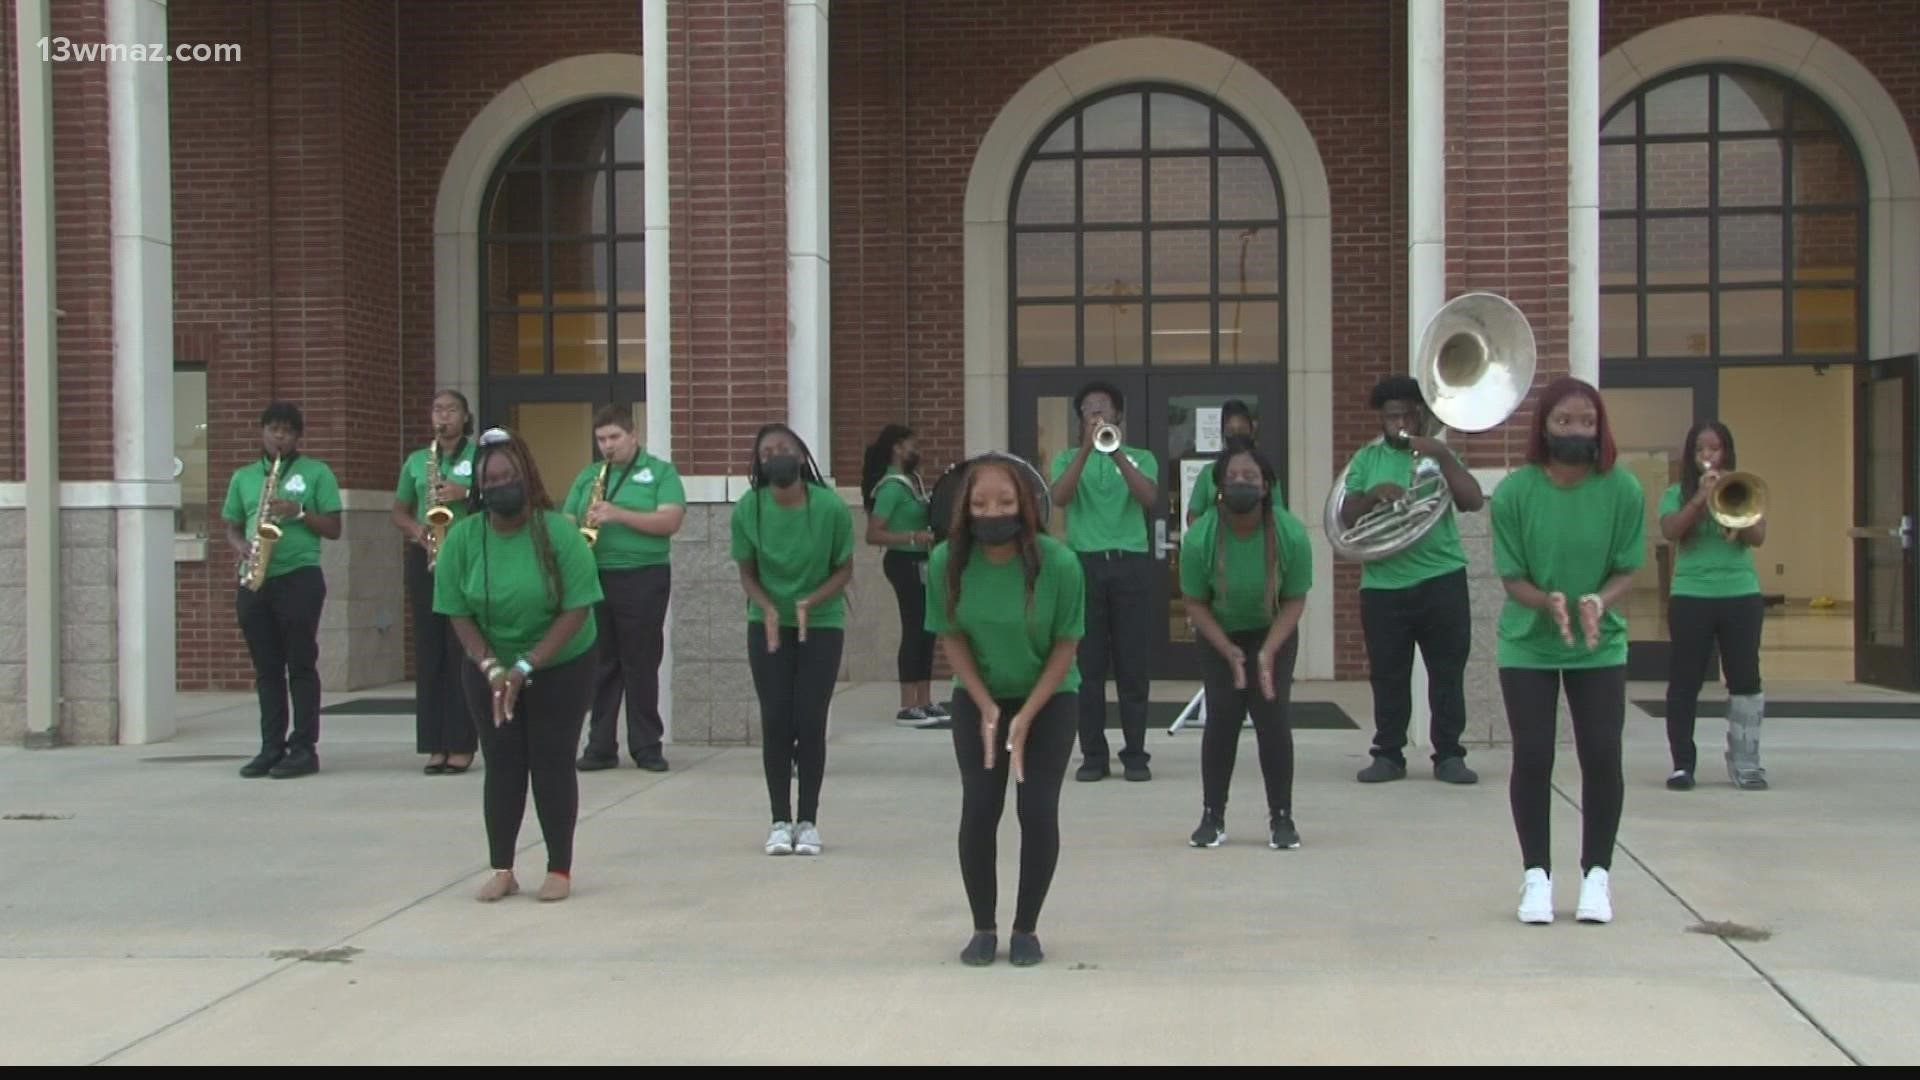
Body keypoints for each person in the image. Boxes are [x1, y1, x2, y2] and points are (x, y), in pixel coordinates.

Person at [1490, 376, 1644, 926]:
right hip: (1528, 644)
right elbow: (1512, 578)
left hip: (1598, 646)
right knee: (1533, 756)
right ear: (1544, 428)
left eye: (1586, 421)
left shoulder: (1623, 490)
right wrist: (1547, 601)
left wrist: (1598, 602)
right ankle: (1537, 877)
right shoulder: (1514, 494)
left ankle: (1597, 877)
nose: (1576, 430)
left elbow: (1627, 567)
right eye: (1564, 421)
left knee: (1601, 755)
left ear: (1600, 427)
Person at [926, 454, 1084, 967]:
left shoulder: (1059, 563)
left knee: (1035, 809)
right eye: (979, 503)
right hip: (981, 697)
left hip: (1050, 696)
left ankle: (1026, 928)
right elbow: (951, 638)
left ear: (1027, 505)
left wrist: (1026, 714)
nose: (992, 511)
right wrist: (987, 706)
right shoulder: (946, 561)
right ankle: (982, 928)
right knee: (980, 807)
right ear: (963, 510)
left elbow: (1065, 647)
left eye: (1005, 501)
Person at [434, 427, 603, 903]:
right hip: (489, 664)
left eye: (508, 476)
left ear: (526, 477)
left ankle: (559, 868)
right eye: (489, 481)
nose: (498, 487)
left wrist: (527, 666)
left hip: (560, 662)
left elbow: (578, 608)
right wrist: (491, 667)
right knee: (503, 763)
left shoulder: (559, 532)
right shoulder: (464, 539)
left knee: (550, 761)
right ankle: (503, 867)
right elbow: (456, 610)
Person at [1340, 375, 1485, 785]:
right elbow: (1347, 517)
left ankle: (1449, 755)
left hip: (1442, 577)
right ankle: (1388, 754)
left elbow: (1472, 501)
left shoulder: (1438, 454)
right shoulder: (1367, 460)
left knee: (1447, 671)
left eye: (1407, 414)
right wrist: (1373, 497)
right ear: (1380, 419)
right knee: (1387, 673)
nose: (1399, 422)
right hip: (1384, 584)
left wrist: (1442, 455)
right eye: (1391, 416)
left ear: (1420, 414)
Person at [1180, 437, 1314, 851]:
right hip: (1220, 634)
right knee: (1222, 719)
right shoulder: (1200, 537)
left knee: (1272, 720)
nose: (1241, 482)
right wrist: (1229, 650)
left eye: (1250, 476)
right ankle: (1211, 817)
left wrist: (1268, 651)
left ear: (1267, 486)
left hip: (1272, 632)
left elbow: (1294, 600)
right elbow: (1195, 603)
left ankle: (1282, 818)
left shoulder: (1291, 533)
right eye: (1233, 477)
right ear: (1218, 488)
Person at [731, 424, 855, 857]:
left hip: (820, 622)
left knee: (810, 718)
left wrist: (811, 600)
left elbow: (844, 568)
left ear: (802, 457)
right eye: (767, 452)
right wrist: (766, 605)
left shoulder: (830, 508)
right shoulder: (749, 508)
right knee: (777, 719)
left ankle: (809, 820)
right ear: (759, 464)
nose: (776, 456)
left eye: (784, 449)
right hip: (767, 624)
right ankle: (779, 819)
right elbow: (747, 571)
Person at [224, 402, 342, 780]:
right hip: (256, 577)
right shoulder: (243, 477)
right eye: (273, 429)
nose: (279, 437)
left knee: (301, 664)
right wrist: (240, 545)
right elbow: (231, 525)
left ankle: (304, 747)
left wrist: (299, 512)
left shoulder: (316, 473)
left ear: (297, 437)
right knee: (266, 669)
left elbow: (334, 528)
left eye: (287, 431)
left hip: (299, 576)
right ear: (262, 432)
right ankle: (270, 746)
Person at [1049, 381, 1161, 783]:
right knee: (1089, 667)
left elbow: (1149, 499)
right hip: (1085, 564)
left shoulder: (1141, 457)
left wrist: (1116, 455)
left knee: (1132, 666)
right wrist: (1085, 449)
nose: (1097, 415)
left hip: (1130, 562)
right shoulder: (1065, 458)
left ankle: (1135, 755)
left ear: (1118, 417)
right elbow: (1058, 498)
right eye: (1088, 410)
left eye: (1104, 408)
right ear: (1080, 419)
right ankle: (1093, 755)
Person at [567, 404, 686, 773]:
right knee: (602, 663)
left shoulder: (660, 473)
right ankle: (600, 745)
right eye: (601, 439)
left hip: (643, 575)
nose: (608, 446)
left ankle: (647, 745)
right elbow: (568, 518)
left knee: (640, 661)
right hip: (596, 575)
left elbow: (670, 520)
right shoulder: (589, 476)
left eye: (614, 437)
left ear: (633, 435)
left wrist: (617, 514)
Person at [1659, 421, 1769, 791]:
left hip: (1740, 592)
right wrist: (1699, 501)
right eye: (1700, 450)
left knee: (1745, 679)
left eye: (1715, 449)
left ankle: (1746, 761)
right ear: (1691, 457)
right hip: (1691, 595)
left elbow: (1758, 537)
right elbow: (1671, 531)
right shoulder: (1677, 493)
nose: (1708, 456)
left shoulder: (1741, 488)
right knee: (1685, 682)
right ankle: (1682, 764)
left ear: (1727, 452)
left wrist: (1731, 504)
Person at [391, 389, 479, 776]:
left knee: (460, 650)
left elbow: (499, 497)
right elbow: (399, 510)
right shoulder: (417, 461)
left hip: (465, 557)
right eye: (438, 409)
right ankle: (434, 743)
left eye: (452, 410)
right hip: (426, 556)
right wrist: (417, 532)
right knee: (429, 653)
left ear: (465, 417)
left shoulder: (479, 456)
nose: (443, 417)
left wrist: (465, 492)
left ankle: (462, 743)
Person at [862, 423, 946, 728]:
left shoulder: (912, 483)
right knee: (914, 630)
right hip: (903, 563)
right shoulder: (891, 487)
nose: (917, 451)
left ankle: (924, 699)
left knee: (927, 630)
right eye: (912, 445)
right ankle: (907, 704)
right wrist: (912, 537)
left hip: (921, 563)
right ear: (897, 448)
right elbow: (874, 534)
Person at [1184, 400, 1258, 527]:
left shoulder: (1264, 471)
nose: (1236, 434)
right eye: (1231, 430)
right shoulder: (1209, 473)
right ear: (1223, 434)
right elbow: (1193, 517)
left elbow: (1276, 515)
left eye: (1242, 429)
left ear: (1251, 432)